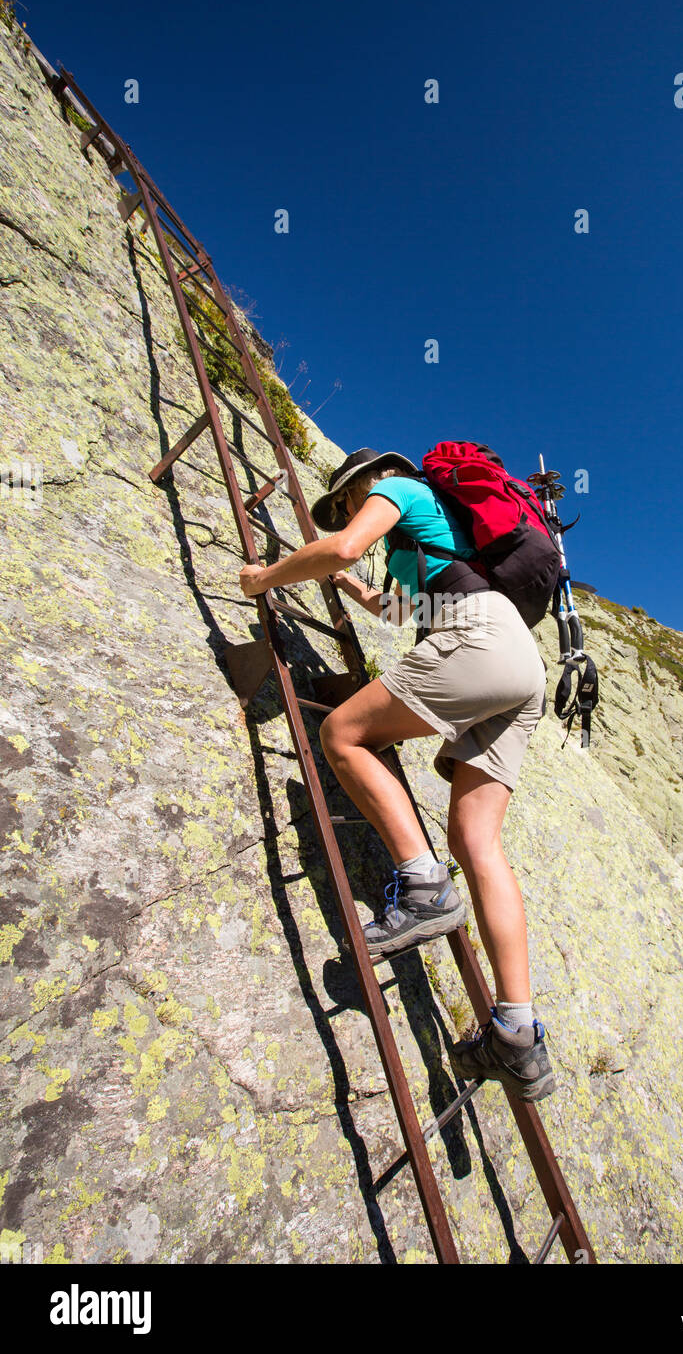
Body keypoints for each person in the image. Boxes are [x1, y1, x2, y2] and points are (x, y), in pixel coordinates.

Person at [240, 447, 554, 1100]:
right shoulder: (437, 535)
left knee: (342, 733)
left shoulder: (402, 489)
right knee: (478, 843)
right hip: (521, 667)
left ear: (365, 482)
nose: (351, 510)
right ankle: (518, 1033)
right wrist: (358, 593)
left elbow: (347, 546)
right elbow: (404, 611)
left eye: (347, 500)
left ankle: (422, 888)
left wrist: (264, 578)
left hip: (480, 643)